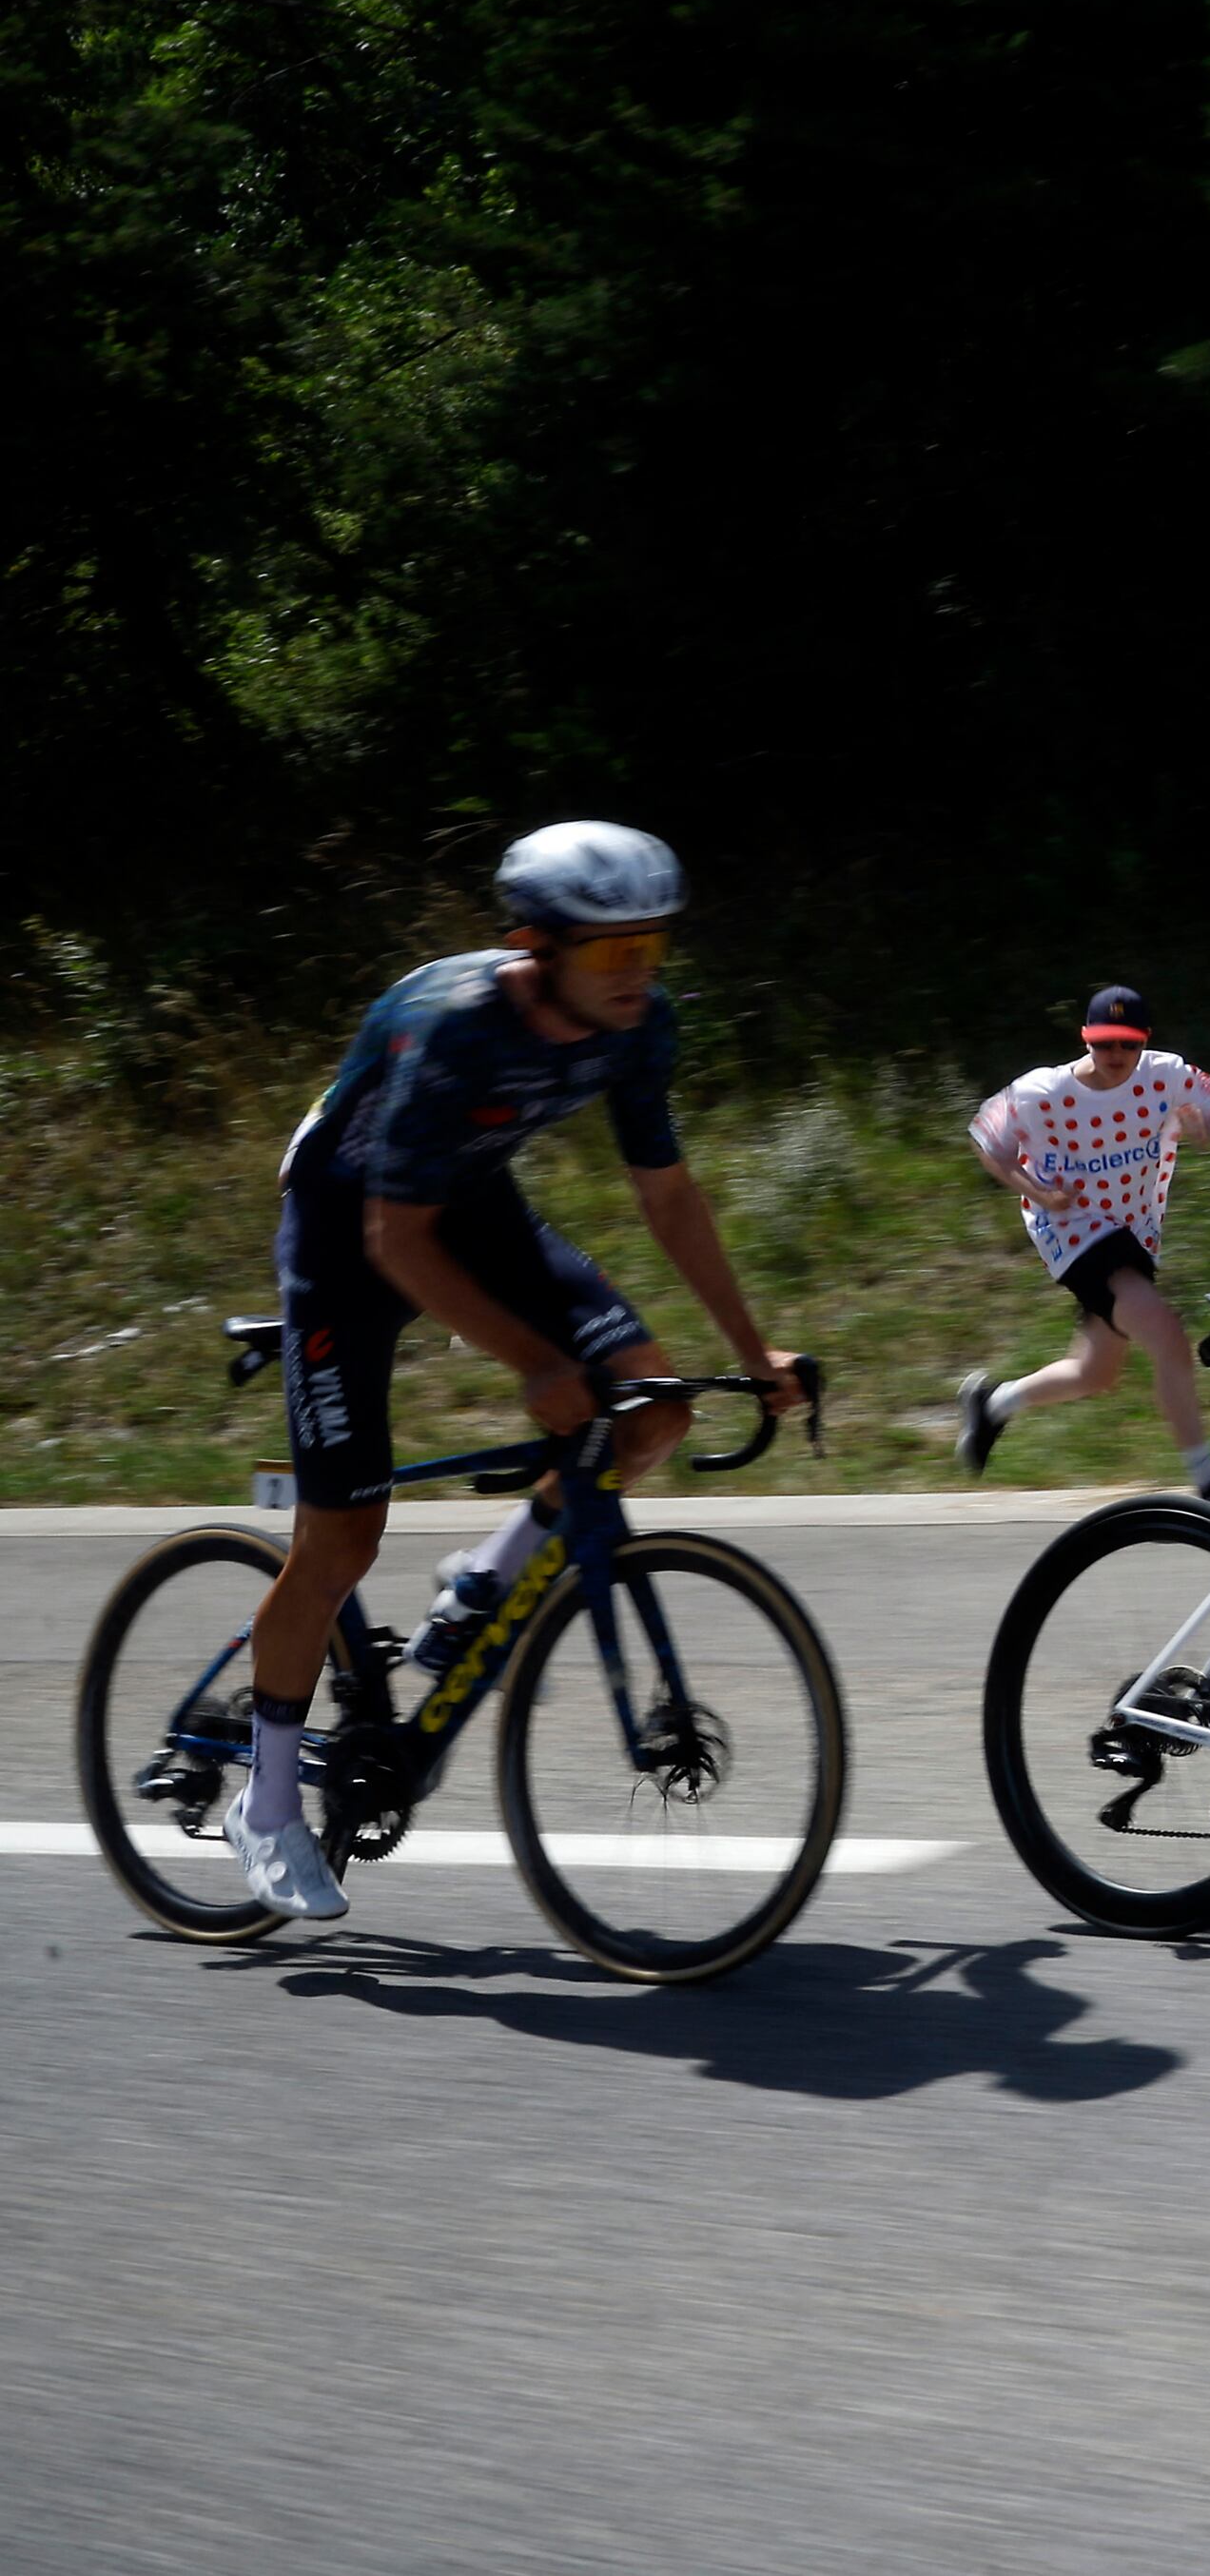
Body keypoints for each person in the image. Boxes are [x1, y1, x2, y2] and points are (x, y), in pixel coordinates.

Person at [230, 823, 808, 1922]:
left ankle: (481, 1584)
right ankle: (265, 1810)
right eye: (608, 952)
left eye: (653, 946)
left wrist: (753, 1352)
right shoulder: (448, 1027)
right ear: (536, 948)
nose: (635, 971)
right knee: (341, 1538)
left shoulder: (640, 1024)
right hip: (348, 1226)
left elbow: (668, 1196)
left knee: (652, 1408)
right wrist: (536, 1362)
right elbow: (396, 1244)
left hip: (470, 1201)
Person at [955, 986, 1210, 1498]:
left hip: (1133, 1229)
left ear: (1145, 1043)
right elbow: (988, 1143)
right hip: (1071, 1230)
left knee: (1095, 1373)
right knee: (1167, 1336)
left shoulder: (1166, 1073)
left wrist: (1209, 1129)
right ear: (1085, 1039)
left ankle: (992, 1405)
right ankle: (1209, 1482)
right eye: (1104, 1044)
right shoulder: (1039, 1093)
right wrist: (1038, 1194)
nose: (1115, 1057)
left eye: (1127, 1046)